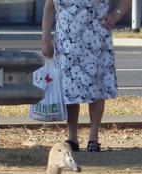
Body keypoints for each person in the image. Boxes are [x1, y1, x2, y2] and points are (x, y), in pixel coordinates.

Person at [41, 0, 131, 152]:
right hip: (66, 42)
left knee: (96, 88)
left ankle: (93, 137)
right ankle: (72, 137)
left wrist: (116, 15)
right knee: (69, 89)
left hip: (95, 39)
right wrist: (45, 39)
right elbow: (49, 8)